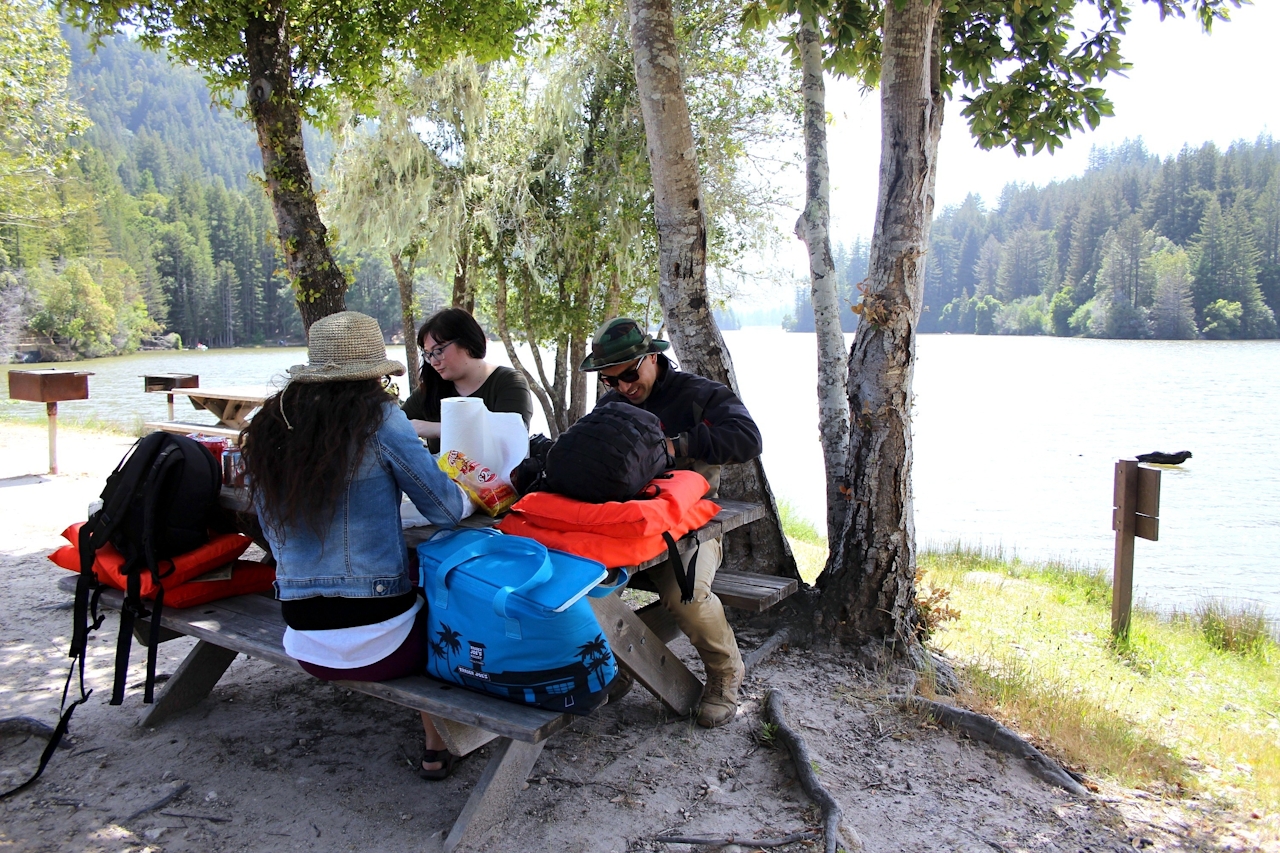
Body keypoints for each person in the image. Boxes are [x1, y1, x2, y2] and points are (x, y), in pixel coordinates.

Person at [241, 311, 474, 780]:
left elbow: (270, 530)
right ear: (373, 376)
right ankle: (436, 746)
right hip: (382, 645)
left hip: (303, 641)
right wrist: (472, 489)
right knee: (451, 603)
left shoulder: (270, 424)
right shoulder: (381, 420)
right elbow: (445, 512)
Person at [579, 317, 763, 727]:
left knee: (686, 599)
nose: (624, 387)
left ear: (654, 356)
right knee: (576, 588)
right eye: (611, 381)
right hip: (625, 523)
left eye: (630, 374)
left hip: (690, 526)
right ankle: (623, 664)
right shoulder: (612, 404)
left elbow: (749, 438)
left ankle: (725, 673)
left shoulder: (700, 394)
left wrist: (676, 444)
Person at [402, 308, 533, 451]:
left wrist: (440, 429)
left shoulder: (508, 382)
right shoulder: (431, 390)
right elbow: (390, 427)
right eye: (429, 355)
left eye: (439, 351)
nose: (434, 362)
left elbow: (512, 438)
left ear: (466, 342)